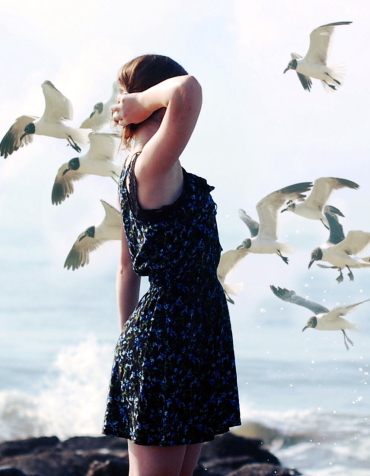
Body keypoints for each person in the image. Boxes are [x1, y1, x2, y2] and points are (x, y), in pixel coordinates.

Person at [102, 54, 241, 476]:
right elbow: (188, 90)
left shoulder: (154, 167)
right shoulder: (150, 164)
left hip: (190, 333)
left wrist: (128, 343)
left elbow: (127, 268)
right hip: (171, 334)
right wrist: (143, 100)